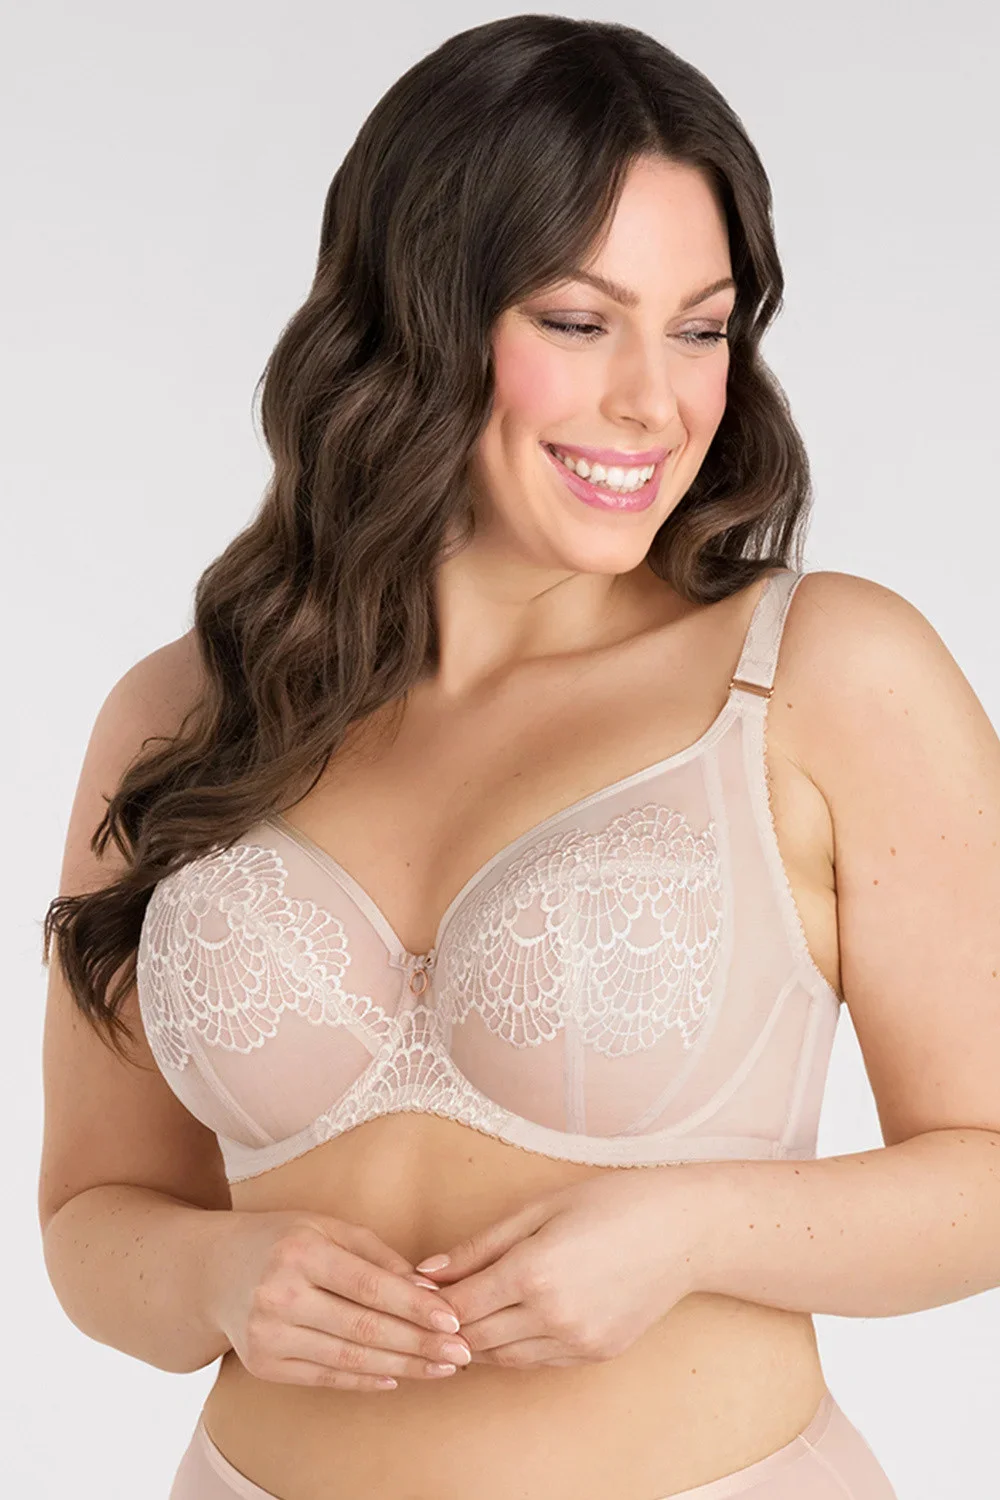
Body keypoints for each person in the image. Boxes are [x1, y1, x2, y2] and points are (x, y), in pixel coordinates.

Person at [37, 15, 1000, 1500]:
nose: (655, 401)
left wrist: (693, 1233)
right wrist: (220, 1275)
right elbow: (92, 1218)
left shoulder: (819, 675)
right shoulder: (187, 713)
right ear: (415, 319)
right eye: (576, 321)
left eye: (701, 329)